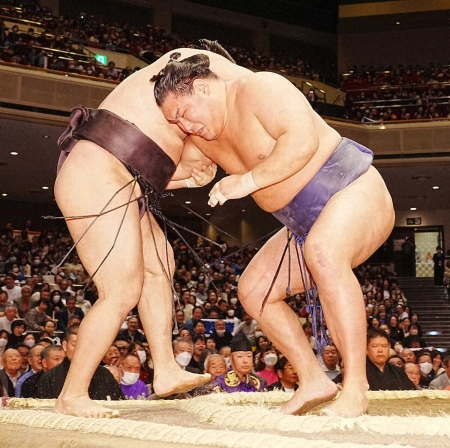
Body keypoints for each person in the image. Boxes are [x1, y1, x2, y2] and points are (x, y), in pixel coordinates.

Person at [154, 49, 394, 417]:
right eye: (177, 122)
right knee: (254, 291)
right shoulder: (202, 140)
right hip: (302, 224)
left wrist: (246, 181)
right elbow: (167, 174)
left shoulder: (259, 88)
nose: (186, 126)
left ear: (201, 88)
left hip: (352, 188)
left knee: (324, 252)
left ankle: (357, 386)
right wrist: (185, 178)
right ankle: (314, 379)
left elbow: (302, 143)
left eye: (183, 114)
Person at [53, 42, 242, 417]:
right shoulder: (189, 68)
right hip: (96, 170)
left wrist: (190, 180)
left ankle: (167, 369)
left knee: (160, 265)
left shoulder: (175, 121)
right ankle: (71, 395)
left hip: (123, 181)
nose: (191, 124)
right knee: (120, 290)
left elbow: (163, 172)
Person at [37, 325, 124, 401]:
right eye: (75, 345)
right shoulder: (49, 378)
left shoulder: (104, 374)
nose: (80, 349)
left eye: (86, 344)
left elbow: (118, 405)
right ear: (65, 346)